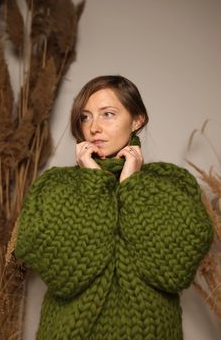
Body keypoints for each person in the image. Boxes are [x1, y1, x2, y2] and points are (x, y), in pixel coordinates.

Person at [15, 75, 213, 340]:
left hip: (150, 333)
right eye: (85, 117)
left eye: (107, 114)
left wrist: (132, 184)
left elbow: (173, 271)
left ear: (137, 120)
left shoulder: (172, 183)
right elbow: (65, 275)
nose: (94, 127)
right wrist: (94, 181)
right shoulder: (55, 185)